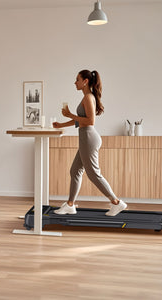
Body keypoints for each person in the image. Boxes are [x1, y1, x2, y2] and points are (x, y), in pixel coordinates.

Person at [53, 70, 127, 216]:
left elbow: (90, 121)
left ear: (85, 81)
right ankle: (70, 204)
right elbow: (80, 120)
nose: (75, 82)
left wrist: (70, 114)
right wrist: (61, 124)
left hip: (88, 139)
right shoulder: (86, 97)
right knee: (75, 170)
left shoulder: (88, 97)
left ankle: (117, 202)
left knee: (93, 174)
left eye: (77, 80)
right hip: (85, 138)